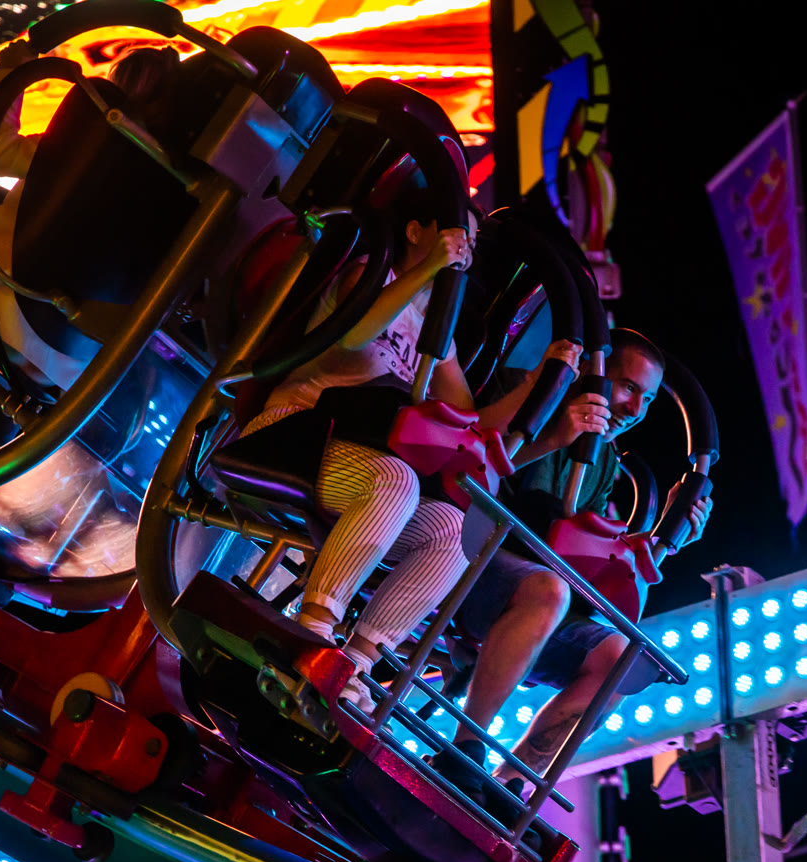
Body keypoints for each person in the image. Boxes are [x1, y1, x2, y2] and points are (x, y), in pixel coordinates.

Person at [227, 185, 600, 694]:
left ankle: (354, 665)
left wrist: (539, 379)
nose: (465, 250)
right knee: (396, 480)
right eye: (458, 236)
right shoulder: (369, 275)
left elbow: (469, 424)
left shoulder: (434, 329)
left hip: (358, 463)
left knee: (452, 529)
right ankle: (313, 631)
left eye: (470, 243)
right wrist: (429, 269)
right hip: (293, 432)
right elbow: (354, 335)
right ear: (416, 231)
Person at [448, 328, 712, 781]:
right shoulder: (523, 389)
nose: (635, 409)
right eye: (628, 387)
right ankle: (466, 749)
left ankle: (511, 783)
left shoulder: (603, 462)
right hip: (462, 557)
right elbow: (464, 468)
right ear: (592, 370)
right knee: (548, 590)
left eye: (647, 399)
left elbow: (583, 565)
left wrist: (663, 543)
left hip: (534, 597)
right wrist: (555, 436)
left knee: (623, 660)